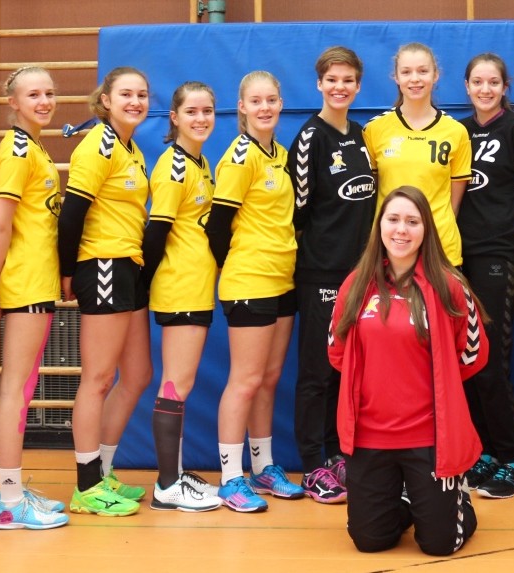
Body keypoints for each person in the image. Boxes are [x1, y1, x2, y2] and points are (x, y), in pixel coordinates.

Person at [328, 186, 488, 556]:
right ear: (380, 226)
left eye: (412, 222)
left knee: (439, 545)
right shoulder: (356, 284)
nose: (402, 229)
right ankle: (406, 497)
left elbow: (473, 354)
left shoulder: (449, 285)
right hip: (369, 437)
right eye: (394, 219)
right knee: (370, 541)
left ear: (426, 229)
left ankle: (456, 499)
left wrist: (440, 384)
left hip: (429, 437)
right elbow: (336, 351)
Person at [58, 66, 153, 517]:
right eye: (126, 94)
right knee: (97, 378)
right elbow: (71, 213)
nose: (135, 101)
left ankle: (103, 471)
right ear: (106, 100)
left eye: (142, 95)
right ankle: (86, 486)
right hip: (102, 265)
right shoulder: (96, 145)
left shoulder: (130, 148)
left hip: (129, 265)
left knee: (137, 375)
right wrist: (66, 272)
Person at [207, 70, 304, 513]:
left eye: (271, 100)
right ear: (242, 107)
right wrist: (237, 268)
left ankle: (263, 467)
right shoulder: (239, 157)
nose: (265, 108)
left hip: (284, 280)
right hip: (250, 280)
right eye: (256, 101)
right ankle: (231, 477)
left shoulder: (280, 155)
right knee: (244, 380)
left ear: (280, 104)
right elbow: (217, 227)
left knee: (267, 379)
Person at [287, 47, 375, 504]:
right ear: (319, 84)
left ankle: (338, 453)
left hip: (359, 273)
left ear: (358, 85)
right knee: (317, 371)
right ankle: (311, 464)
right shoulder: (309, 138)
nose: (340, 87)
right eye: (332, 80)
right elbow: (296, 212)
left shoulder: (362, 135)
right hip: (320, 272)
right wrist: (322, 254)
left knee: (346, 369)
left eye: (348, 80)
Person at [0, 66, 70, 530]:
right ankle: (10, 502)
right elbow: (0, 224)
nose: (44, 101)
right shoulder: (17, 150)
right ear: (12, 103)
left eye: (49, 93)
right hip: (24, 282)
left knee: (24, 386)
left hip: (38, 280)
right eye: (33, 94)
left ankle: (13, 490)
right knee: (16, 388)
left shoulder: (34, 147)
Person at [141, 81, 223, 512]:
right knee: (177, 383)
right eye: (191, 111)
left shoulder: (199, 162)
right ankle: (166, 486)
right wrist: (145, 284)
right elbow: (156, 232)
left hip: (196, 285)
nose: (201, 118)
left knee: (181, 384)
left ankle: (174, 473)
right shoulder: (173, 167)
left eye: (207, 111)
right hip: (180, 287)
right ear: (174, 118)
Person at [457, 53, 514, 499]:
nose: (485, 89)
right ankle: (485, 451)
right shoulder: (458, 132)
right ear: (466, 86)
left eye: (493, 82)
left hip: (499, 254)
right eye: (477, 81)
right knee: (466, 361)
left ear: (505, 87)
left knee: (491, 360)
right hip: (459, 256)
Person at [363, 42, 471, 266]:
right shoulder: (374, 129)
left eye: (423, 71)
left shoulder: (456, 132)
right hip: (391, 249)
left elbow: (454, 204)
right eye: (406, 72)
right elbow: (371, 193)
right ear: (396, 77)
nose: (415, 79)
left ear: (435, 75)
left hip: (441, 250)